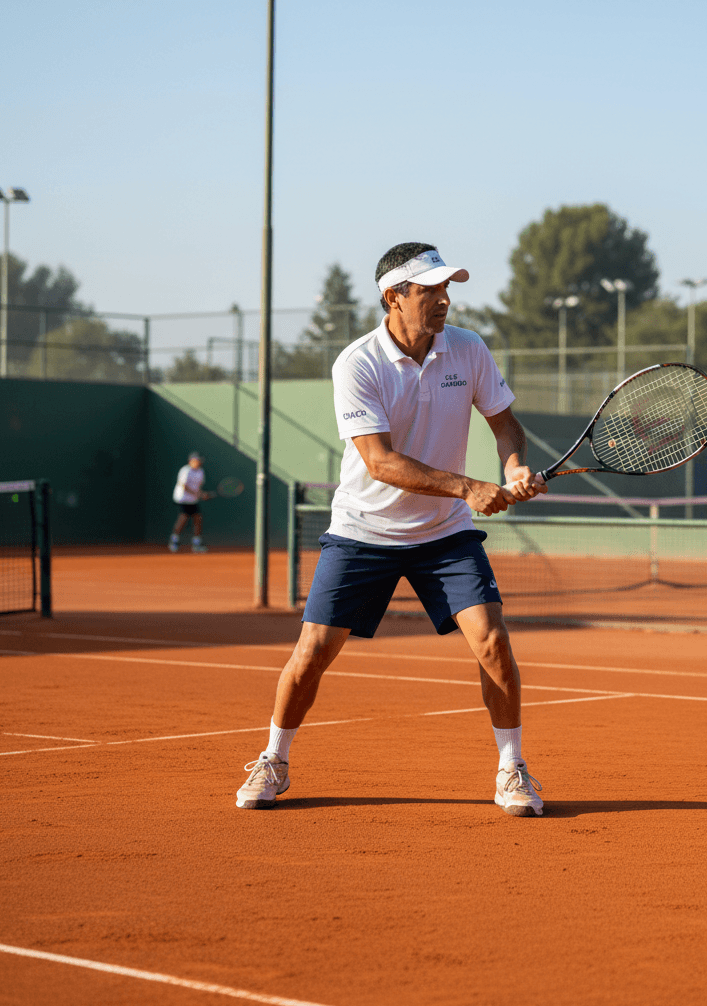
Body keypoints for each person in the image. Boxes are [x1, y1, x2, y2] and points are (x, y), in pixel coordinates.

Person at [236, 242, 550, 817]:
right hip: (364, 528)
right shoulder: (358, 363)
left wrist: (514, 467)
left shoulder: (468, 349)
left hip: (445, 535)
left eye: (447, 289)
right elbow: (381, 463)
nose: (444, 301)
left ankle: (512, 769)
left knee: (492, 640)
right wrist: (469, 487)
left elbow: (505, 424)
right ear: (394, 297)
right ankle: (273, 759)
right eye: (430, 290)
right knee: (312, 652)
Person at [169, 452, 209, 552]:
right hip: (182, 498)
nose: (199, 462)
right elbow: (184, 486)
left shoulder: (201, 472)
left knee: (198, 518)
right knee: (183, 518)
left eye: (200, 461)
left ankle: (196, 543)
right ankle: (174, 540)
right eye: (197, 460)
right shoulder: (185, 471)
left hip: (193, 500)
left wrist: (202, 494)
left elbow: (198, 487)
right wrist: (199, 494)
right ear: (191, 461)